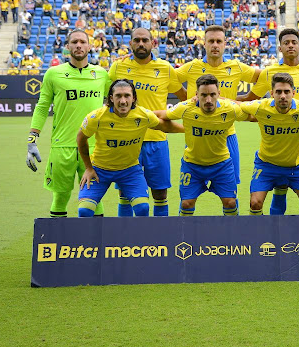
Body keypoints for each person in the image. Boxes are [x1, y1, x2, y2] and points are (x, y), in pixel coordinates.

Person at [239, 28, 299, 215]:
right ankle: (277, 234)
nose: (290, 45)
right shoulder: (269, 73)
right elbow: (250, 99)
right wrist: (220, 100)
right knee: (278, 189)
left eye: (294, 42)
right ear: (280, 48)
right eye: (286, 43)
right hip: (279, 139)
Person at [26, 29, 111, 218]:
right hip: (62, 145)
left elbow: (119, 101)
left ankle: (96, 243)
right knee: (61, 196)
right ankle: (58, 243)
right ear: (67, 47)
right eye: (74, 42)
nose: (79, 45)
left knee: (94, 197)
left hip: (93, 147)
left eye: (82, 42)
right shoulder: (53, 74)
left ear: (90, 46)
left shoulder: (101, 74)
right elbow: (42, 107)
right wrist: (32, 139)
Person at [175, 25, 261, 208]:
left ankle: (230, 233)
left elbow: (265, 77)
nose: (215, 45)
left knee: (230, 199)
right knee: (188, 201)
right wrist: (186, 97)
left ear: (225, 44)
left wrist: (245, 100)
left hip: (227, 136)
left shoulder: (236, 67)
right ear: (204, 44)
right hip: (196, 136)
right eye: (211, 41)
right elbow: (167, 80)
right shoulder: (191, 68)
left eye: (219, 41)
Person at [108, 27, 187, 217]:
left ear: (153, 43)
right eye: (137, 40)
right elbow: (108, 98)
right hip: (127, 140)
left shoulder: (165, 69)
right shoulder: (118, 67)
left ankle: (160, 236)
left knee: (160, 192)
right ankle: (124, 238)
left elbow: (184, 97)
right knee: (125, 193)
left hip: (157, 139)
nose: (141, 44)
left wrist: (169, 115)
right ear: (130, 44)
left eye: (145, 40)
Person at [77, 81, 182, 217]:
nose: (123, 101)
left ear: (134, 98)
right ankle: (91, 239)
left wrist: (188, 129)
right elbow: (81, 138)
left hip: (130, 171)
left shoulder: (143, 115)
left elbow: (165, 127)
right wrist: (88, 168)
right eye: (118, 96)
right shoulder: (96, 117)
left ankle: (137, 238)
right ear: (111, 98)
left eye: (127, 96)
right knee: (84, 210)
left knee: (143, 208)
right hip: (99, 170)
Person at [156, 74, 249, 216]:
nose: (208, 100)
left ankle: (232, 234)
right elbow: (163, 115)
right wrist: (137, 113)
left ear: (219, 94)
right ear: (196, 95)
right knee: (186, 203)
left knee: (230, 202)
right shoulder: (186, 108)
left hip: (221, 164)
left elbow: (252, 115)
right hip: (192, 164)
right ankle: (184, 236)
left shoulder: (230, 108)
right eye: (203, 95)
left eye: (212, 94)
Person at [240, 73, 299, 215]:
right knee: (255, 203)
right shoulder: (261, 107)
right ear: (272, 93)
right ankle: (260, 234)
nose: (283, 96)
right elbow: (235, 105)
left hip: (296, 166)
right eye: (278, 92)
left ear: (293, 93)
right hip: (266, 165)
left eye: (287, 92)